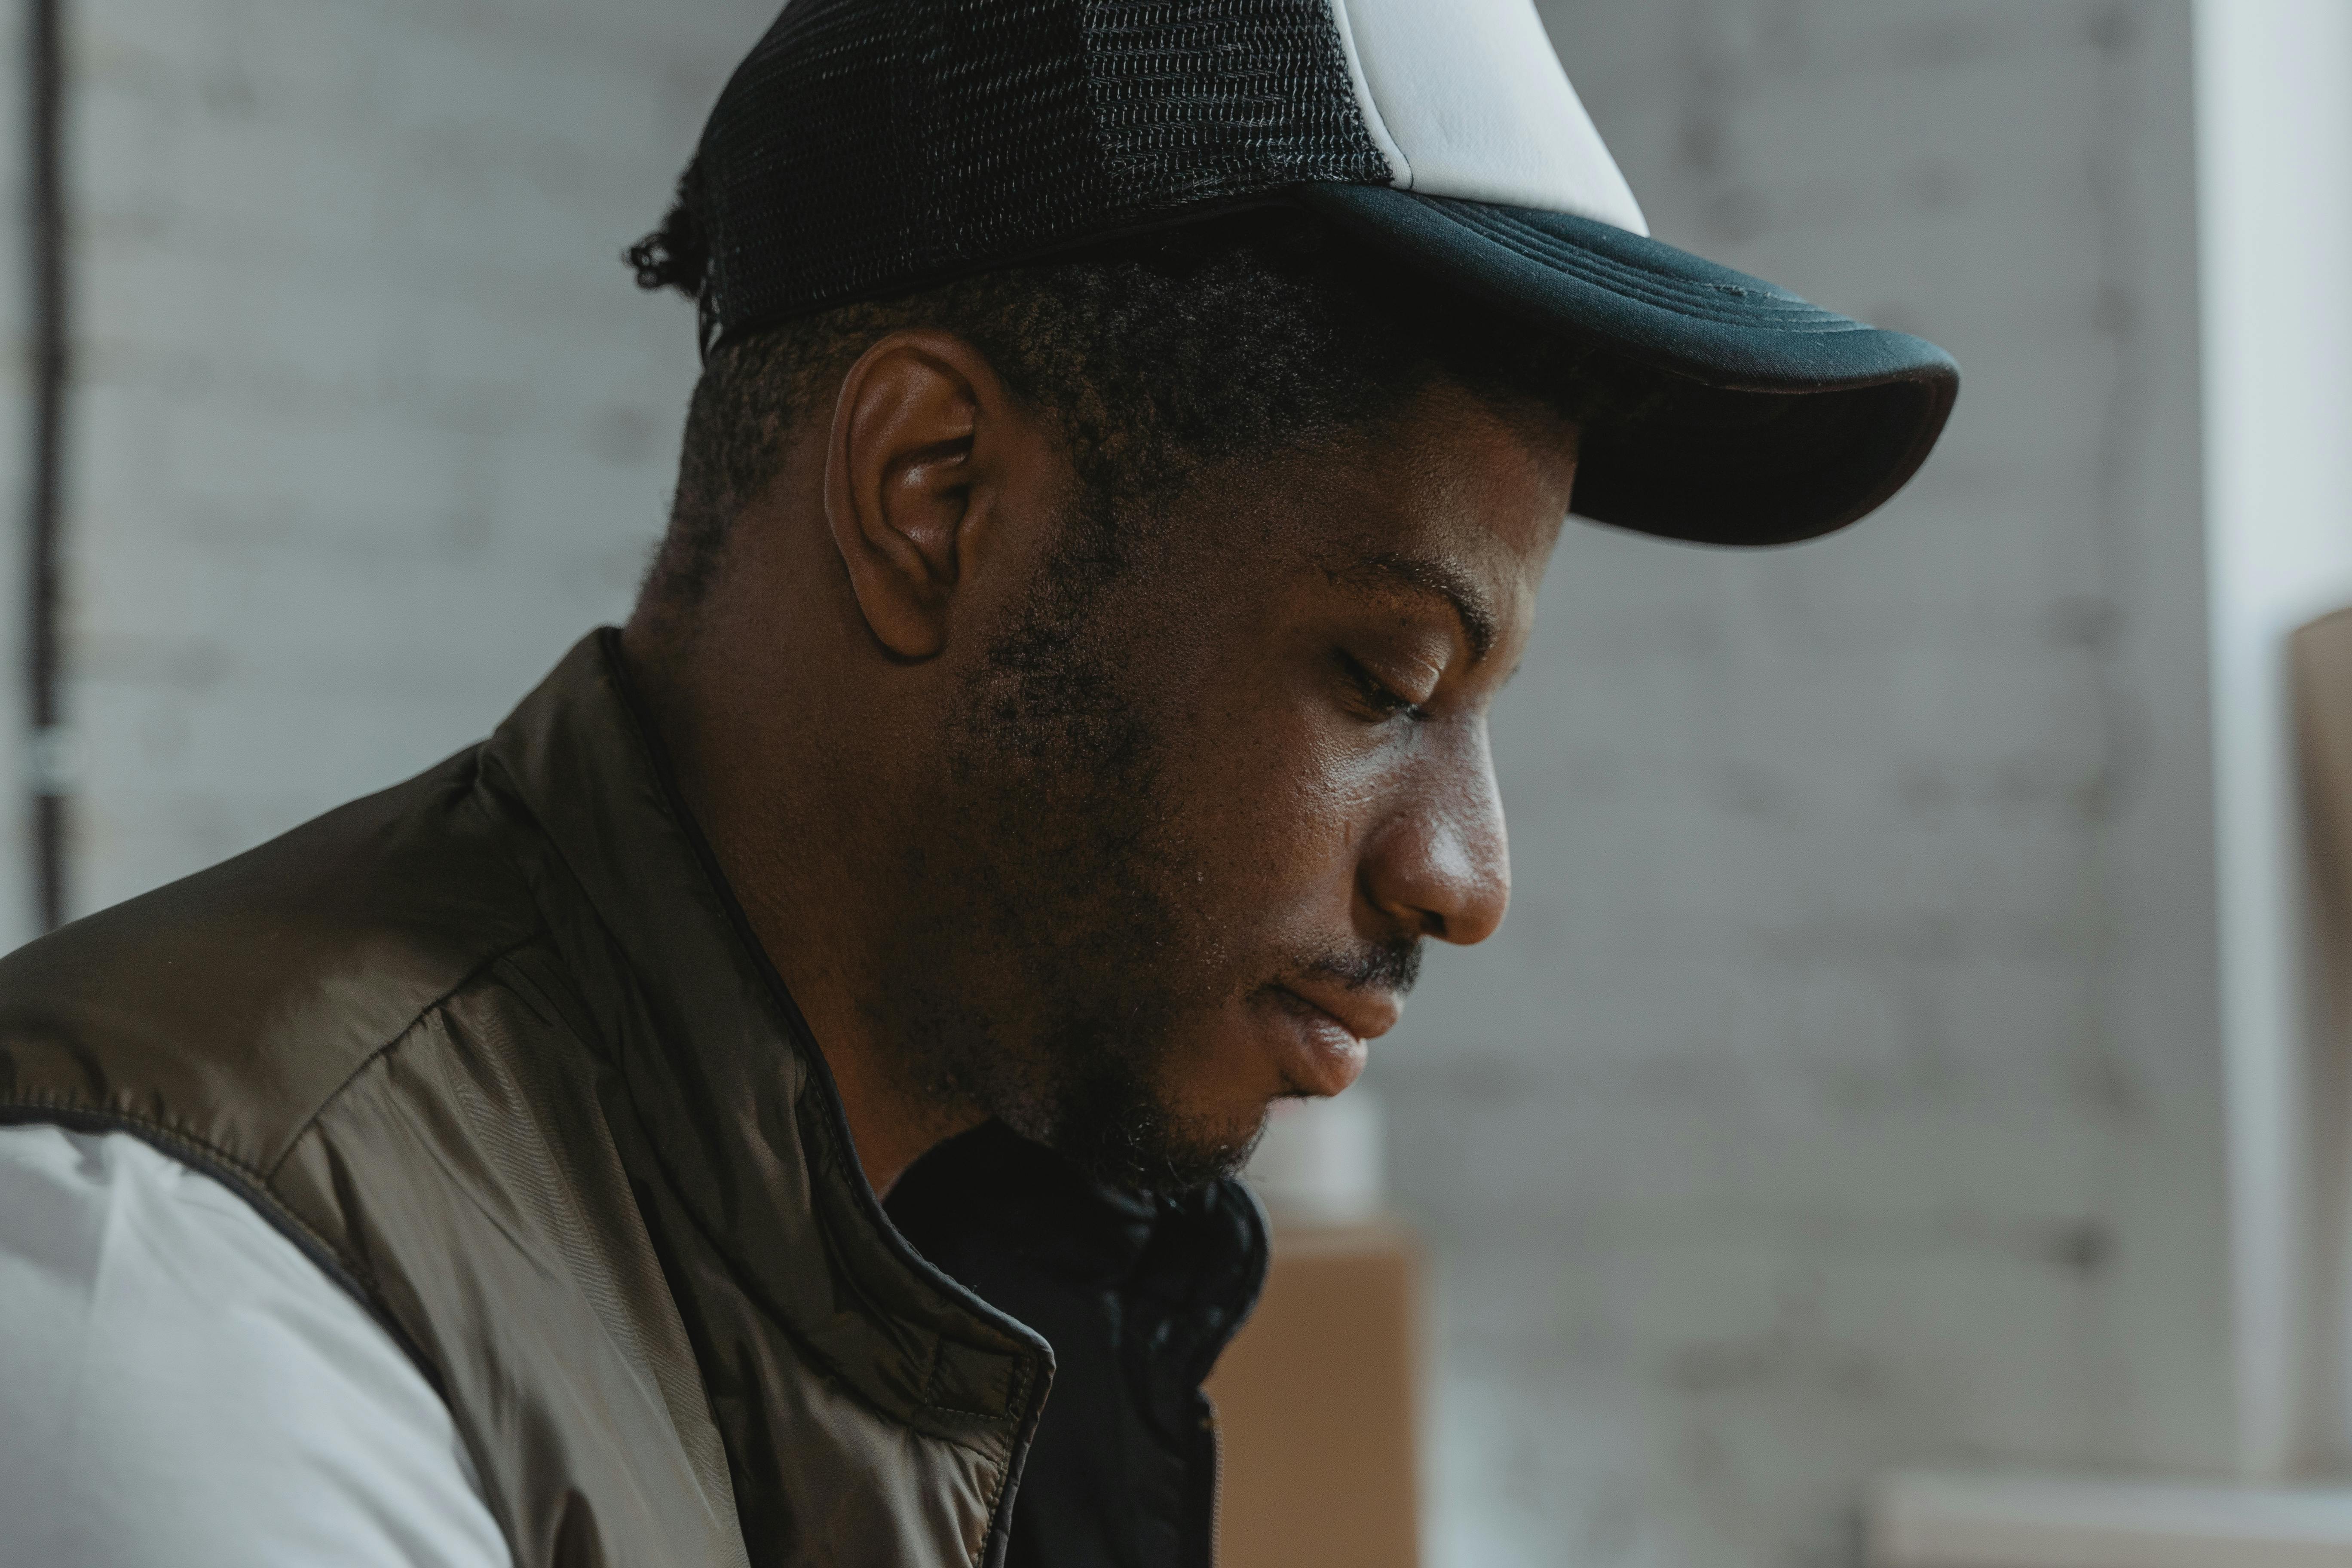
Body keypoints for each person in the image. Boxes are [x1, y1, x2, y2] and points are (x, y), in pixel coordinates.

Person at [0, 2, 1956, 1565]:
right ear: (930, 502)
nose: (1467, 878)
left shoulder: (1019, 1247)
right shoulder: (179, 1302)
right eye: (1385, 675)